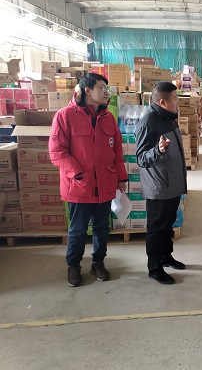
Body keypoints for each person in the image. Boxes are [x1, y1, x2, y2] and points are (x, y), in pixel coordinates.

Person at [49, 73, 128, 287]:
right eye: (102, 87)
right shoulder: (65, 116)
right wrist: (78, 173)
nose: (106, 92)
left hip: (105, 185)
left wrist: (121, 177)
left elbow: (117, 151)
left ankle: (98, 263)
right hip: (79, 186)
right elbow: (57, 152)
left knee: (102, 228)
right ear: (87, 90)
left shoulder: (108, 117)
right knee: (77, 230)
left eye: (106, 88)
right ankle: (73, 266)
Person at [135, 81, 187, 285]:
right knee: (157, 229)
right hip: (159, 186)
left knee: (167, 225)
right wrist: (158, 150)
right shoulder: (148, 122)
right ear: (163, 101)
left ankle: (166, 256)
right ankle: (155, 268)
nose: (178, 102)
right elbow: (142, 158)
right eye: (175, 99)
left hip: (172, 184)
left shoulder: (169, 118)